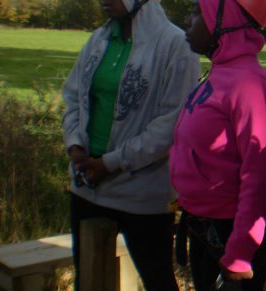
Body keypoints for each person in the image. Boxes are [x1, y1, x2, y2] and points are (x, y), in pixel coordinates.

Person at [61, 0, 199, 290]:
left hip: (142, 195)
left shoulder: (175, 45)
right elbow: (73, 97)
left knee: (157, 280)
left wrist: (111, 163)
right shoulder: (98, 40)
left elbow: (170, 125)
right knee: (87, 278)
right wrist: (75, 147)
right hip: (87, 184)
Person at [169, 0, 266, 290]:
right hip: (206, 225)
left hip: (232, 231)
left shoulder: (249, 85)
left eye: (197, 12)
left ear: (225, 19)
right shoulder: (220, 73)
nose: (188, 21)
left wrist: (241, 253)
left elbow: (260, 176)